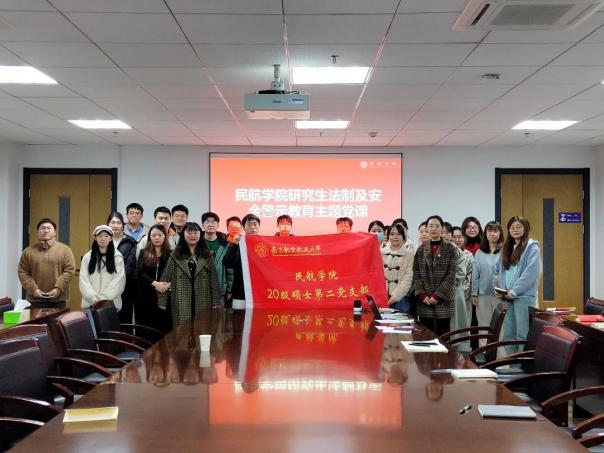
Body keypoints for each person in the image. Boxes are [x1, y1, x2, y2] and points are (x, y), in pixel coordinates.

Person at [158, 222, 222, 326]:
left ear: (200, 234)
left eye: (196, 233)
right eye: (189, 232)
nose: (193, 235)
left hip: (203, 298)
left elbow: (214, 280)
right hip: (181, 299)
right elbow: (164, 279)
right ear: (183, 234)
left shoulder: (207, 255)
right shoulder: (175, 255)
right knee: (182, 330)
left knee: (202, 328)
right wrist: (162, 301)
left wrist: (216, 302)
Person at [494, 216, 542, 354]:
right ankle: (512, 362)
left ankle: (521, 363)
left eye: (519, 227)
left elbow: (530, 273)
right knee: (508, 334)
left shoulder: (532, 247)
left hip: (523, 297)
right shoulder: (506, 247)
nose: (515, 230)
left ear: (525, 229)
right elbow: (497, 271)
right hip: (506, 296)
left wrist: (514, 291)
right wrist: (498, 288)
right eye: (512, 227)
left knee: (522, 334)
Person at [411, 215, 457, 336]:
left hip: (443, 299)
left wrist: (437, 295)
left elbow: (451, 275)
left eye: (437, 226)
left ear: (442, 228)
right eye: (431, 226)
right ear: (427, 228)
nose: (434, 229)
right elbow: (416, 275)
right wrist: (422, 295)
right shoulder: (420, 250)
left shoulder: (451, 249)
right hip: (425, 300)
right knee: (426, 335)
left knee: (444, 334)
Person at [18, 218, 76, 308]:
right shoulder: (28, 251)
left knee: (58, 318)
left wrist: (58, 288)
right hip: (34, 300)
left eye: (49, 228)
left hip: (58, 300)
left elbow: (70, 270)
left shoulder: (65, 250)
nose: (45, 230)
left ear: (55, 232)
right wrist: (33, 289)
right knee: (35, 318)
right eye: (42, 228)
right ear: (38, 232)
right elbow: (23, 272)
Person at [471, 221, 505, 347]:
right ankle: (484, 354)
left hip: (500, 295)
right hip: (482, 294)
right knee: (484, 327)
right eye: (490, 231)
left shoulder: (505, 251)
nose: (492, 234)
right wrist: (474, 293)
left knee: (501, 327)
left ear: (500, 233)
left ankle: (501, 356)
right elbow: (475, 274)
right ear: (485, 233)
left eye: (496, 231)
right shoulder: (479, 252)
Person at [79, 225, 126, 315]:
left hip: (110, 304)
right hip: (90, 304)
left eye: (106, 236)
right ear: (95, 238)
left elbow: (119, 281)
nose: (103, 238)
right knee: (91, 324)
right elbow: (83, 280)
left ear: (111, 238)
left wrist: (103, 299)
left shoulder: (117, 257)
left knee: (109, 325)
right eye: (100, 236)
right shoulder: (87, 257)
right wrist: (93, 298)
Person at [136, 224, 172, 332]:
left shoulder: (171, 254)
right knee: (147, 328)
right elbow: (139, 272)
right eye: (154, 235)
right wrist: (155, 283)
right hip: (146, 294)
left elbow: (176, 274)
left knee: (163, 327)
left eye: (160, 235)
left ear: (165, 236)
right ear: (149, 237)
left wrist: (168, 285)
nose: (157, 238)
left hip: (165, 295)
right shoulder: (144, 252)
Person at [224, 214, 261, 310]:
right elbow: (227, 263)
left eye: (255, 224)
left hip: (260, 290)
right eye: (249, 224)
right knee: (239, 317)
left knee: (259, 317)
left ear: (259, 226)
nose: (252, 227)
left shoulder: (264, 245)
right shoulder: (238, 243)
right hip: (240, 290)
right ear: (243, 227)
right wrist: (234, 245)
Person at [107, 211, 138, 323]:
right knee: (106, 320)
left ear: (123, 225)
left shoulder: (130, 242)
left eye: (119, 223)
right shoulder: (102, 240)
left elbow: (129, 266)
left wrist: (115, 282)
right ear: (108, 224)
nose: (115, 225)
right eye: (113, 222)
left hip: (125, 288)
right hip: (104, 288)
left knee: (124, 321)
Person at [449, 226, 474, 348]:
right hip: (450, 296)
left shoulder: (468, 255)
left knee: (463, 324)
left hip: (464, 295)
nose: (457, 240)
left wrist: (463, 291)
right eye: (454, 237)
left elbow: (470, 275)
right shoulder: (448, 252)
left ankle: (462, 351)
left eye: (460, 237)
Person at [202, 212, 234, 306]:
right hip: (200, 290)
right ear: (202, 225)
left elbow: (230, 269)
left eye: (213, 222)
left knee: (219, 314)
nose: (210, 224)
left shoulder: (226, 245)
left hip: (220, 290)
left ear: (218, 225)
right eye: (207, 222)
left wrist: (229, 289)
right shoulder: (197, 243)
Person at [381, 223, 413, 313]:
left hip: (401, 298)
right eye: (392, 234)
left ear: (404, 237)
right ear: (388, 237)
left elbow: (408, 278)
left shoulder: (409, 255)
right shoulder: (380, 253)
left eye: (399, 234)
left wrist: (395, 296)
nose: (395, 237)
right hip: (382, 296)